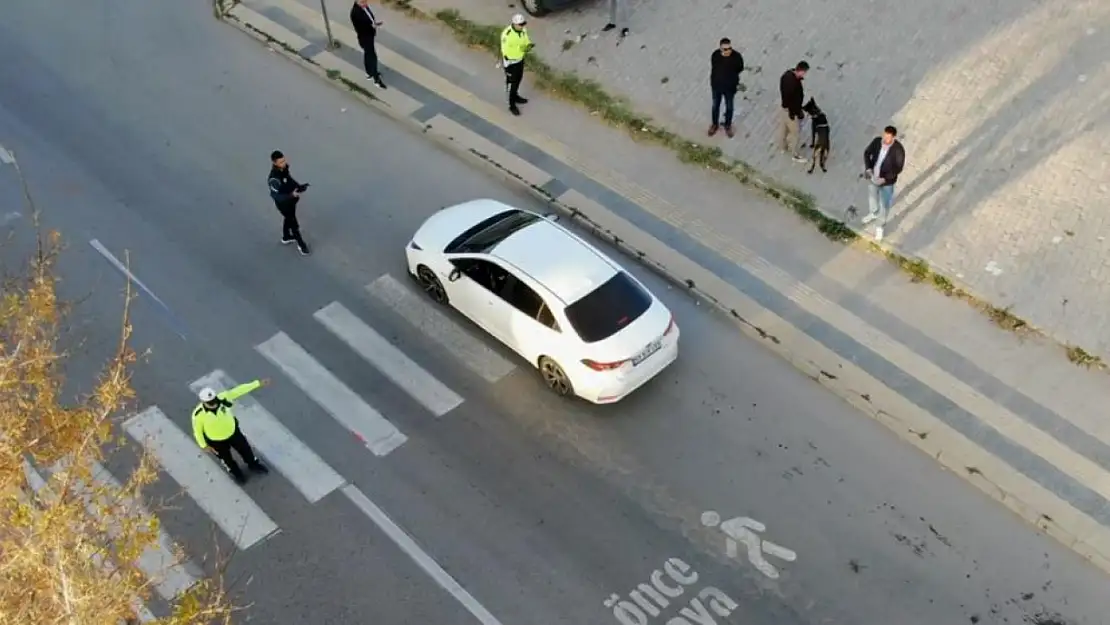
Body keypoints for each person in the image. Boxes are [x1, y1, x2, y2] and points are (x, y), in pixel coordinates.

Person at [192, 379, 271, 485]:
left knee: (246, 450)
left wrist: (257, 383)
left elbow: (239, 390)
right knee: (226, 459)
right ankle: (237, 473)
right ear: (203, 402)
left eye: (214, 400)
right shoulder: (198, 414)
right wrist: (204, 445)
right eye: (210, 402)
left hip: (233, 433)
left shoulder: (224, 398)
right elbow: (197, 431)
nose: (213, 404)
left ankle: (253, 464)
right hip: (216, 441)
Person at [861, 125, 906, 242]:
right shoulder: (877, 142)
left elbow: (898, 168)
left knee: (885, 205)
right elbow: (867, 153)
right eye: (884, 136)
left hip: (887, 182)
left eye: (889, 138)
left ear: (894, 138)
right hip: (873, 176)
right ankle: (873, 213)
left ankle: (880, 226)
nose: (885, 140)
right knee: (872, 197)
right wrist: (868, 168)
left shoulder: (898, 150)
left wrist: (885, 179)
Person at [268, 150, 310, 256]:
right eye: (281, 162)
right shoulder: (274, 179)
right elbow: (279, 194)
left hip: (290, 200)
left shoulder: (284, 169)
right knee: (293, 223)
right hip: (283, 203)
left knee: (288, 218)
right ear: (274, 163)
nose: (284, 163)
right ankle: (301, 245)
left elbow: (289, 180)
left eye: (284, 160)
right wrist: (292, 195)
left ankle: (286, 237)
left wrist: (299, 187)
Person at [708, 37, 744, 138]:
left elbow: (740, 67)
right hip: (717, 87)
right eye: (725, 49)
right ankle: (714, 124)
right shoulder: (715, 55)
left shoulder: (736, 57)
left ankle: (728, 125)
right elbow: (714, 67)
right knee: (715, 106)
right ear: (720, 49)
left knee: (729, 107)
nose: (728, 51)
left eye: (729, 48)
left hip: (729, 88)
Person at [500, 14, 534, 116]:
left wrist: (528, 45)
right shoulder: (507, 34)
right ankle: (511, 105)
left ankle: (516, 96)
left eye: (523, 24)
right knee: (511, 84)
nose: (522, 26)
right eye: (520, 24)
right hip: (511, 63)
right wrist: (521, 49)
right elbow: (506, 51)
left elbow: (526, 39)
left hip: (520, 59)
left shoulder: (523, 30)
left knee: (519, 79)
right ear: (514, 24)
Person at [350, 0, 386, 88]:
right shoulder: (355, 13)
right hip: (365, 37)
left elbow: (369, 18)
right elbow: (360, 28)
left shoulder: (364, 7)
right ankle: (376, 79)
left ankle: (369, 73)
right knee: (373, 57)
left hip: (369, 35)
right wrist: (371, 26)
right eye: (363, 2)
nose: (365, 3)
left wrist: (374, 24)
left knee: (367, 55)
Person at [778, 61, 809, 163]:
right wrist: (794, 113)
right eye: (804, 73)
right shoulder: (793, 83)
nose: (805, 75)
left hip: (784, 108)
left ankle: (782, 147)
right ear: (801, 71)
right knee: (795, 132)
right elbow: (791, 99)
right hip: (791, 111)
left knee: (784, 128)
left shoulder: (786, 75)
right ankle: (795, 154)